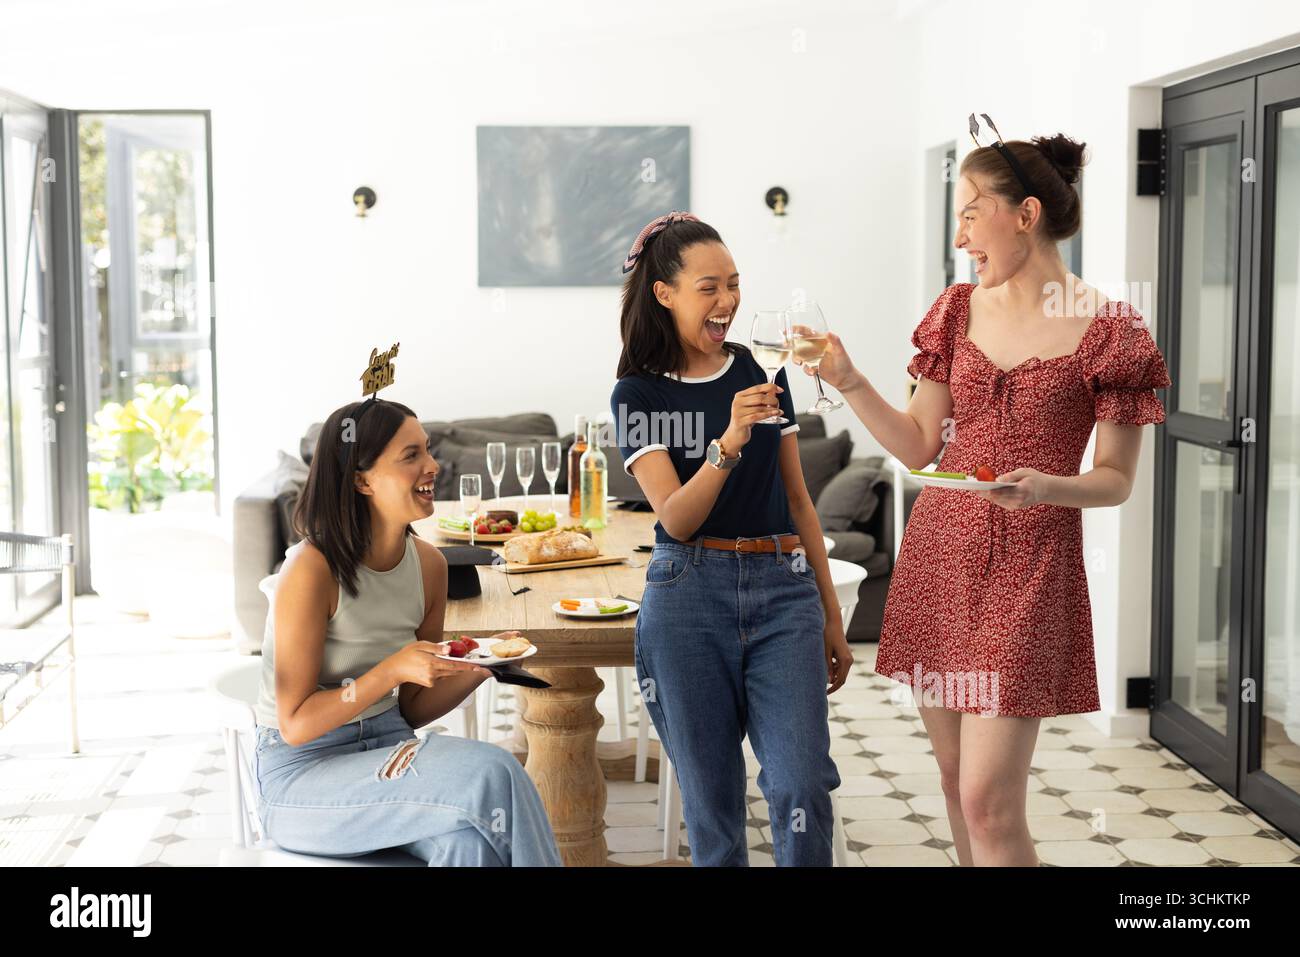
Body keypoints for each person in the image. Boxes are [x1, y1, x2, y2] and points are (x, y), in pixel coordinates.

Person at [800, 132, 1171, 866]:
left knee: (988, 803)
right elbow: (916, 444)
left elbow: (1117, 479)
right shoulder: (956, 310)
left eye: (973, 213)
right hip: (940, 560)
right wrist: (846, 377)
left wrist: (1047, 489)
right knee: (950, 778)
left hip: (1032, 571)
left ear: (1026, 213)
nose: (959, 234)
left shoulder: (1113, 330)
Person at [610, 211, 851, 866]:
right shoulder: (636, 395)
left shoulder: (758, 368)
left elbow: (799, 499)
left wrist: (831, 614)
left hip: (784, 593)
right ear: (665, 293)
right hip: (688, 598)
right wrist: (727, 445)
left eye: (735, 284)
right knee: (713, 809)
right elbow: (677, 519)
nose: (729, 301)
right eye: (709, 287)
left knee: (801, 780)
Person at [251, 396, 562, 866]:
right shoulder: (312, 569)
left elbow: (413, 710)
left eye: (428, 450)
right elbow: (294, 724)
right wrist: (390, 671)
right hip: (303, 779)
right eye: (411, 456)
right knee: (492, 771)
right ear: (361, 479)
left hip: (387, 750)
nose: (433, 466)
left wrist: (481, 668)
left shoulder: (429, 565)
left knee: (470, 844)